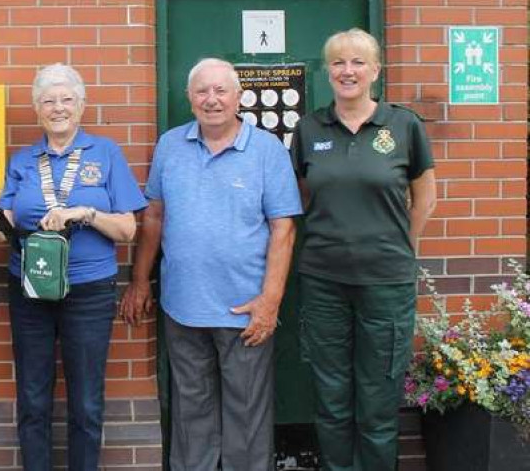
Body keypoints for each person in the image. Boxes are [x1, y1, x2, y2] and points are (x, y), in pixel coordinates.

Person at [121, 57, 302, 471]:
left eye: (221, 90)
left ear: (239, 97)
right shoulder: (170, 145)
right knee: (191, 411)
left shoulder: (266, 150)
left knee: (247, 413)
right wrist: (140, 280)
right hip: (182, 306)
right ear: (189, 98)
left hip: (246, 309)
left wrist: (270, 300)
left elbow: (283, 229)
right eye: (202, 90)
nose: (212, 99)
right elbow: (153, 217)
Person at [291, 28, 436, 471]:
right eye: (338, 62)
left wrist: (399, 248)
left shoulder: (404, 125)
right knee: (332, 399)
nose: (347, 71)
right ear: (327, 71)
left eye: (357, 62)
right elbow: (301, 197)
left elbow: (425, 198)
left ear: (375, 70)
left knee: (378, 401)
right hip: (323, 282)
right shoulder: (309, 128)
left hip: (386, 284)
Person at [0, 63, 147, 471]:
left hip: (89, 291)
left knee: (85, 400)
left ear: (81, 106)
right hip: (30, 289)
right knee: (32, 396)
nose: (58, 108)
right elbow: (2, 229)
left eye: (66, 99)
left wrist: (84, 212)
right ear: (36, 109)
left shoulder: (106, 153)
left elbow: (128, 229)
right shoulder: (23, 160)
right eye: (48, 101)